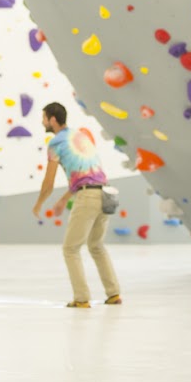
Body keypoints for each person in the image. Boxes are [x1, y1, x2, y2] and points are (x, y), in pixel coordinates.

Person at [34, 103, 121, 308]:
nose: (42, 121)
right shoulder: (80, 137)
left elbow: (48, 182)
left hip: (87, 197)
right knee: (97, 246)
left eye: (44, 118)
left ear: (53, 120)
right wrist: (64, 199)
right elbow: (86, 175)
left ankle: (81, 298)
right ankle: (114, 293)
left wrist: (38, 204)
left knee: (70, 249)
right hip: (105, 194)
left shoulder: (56, 143)